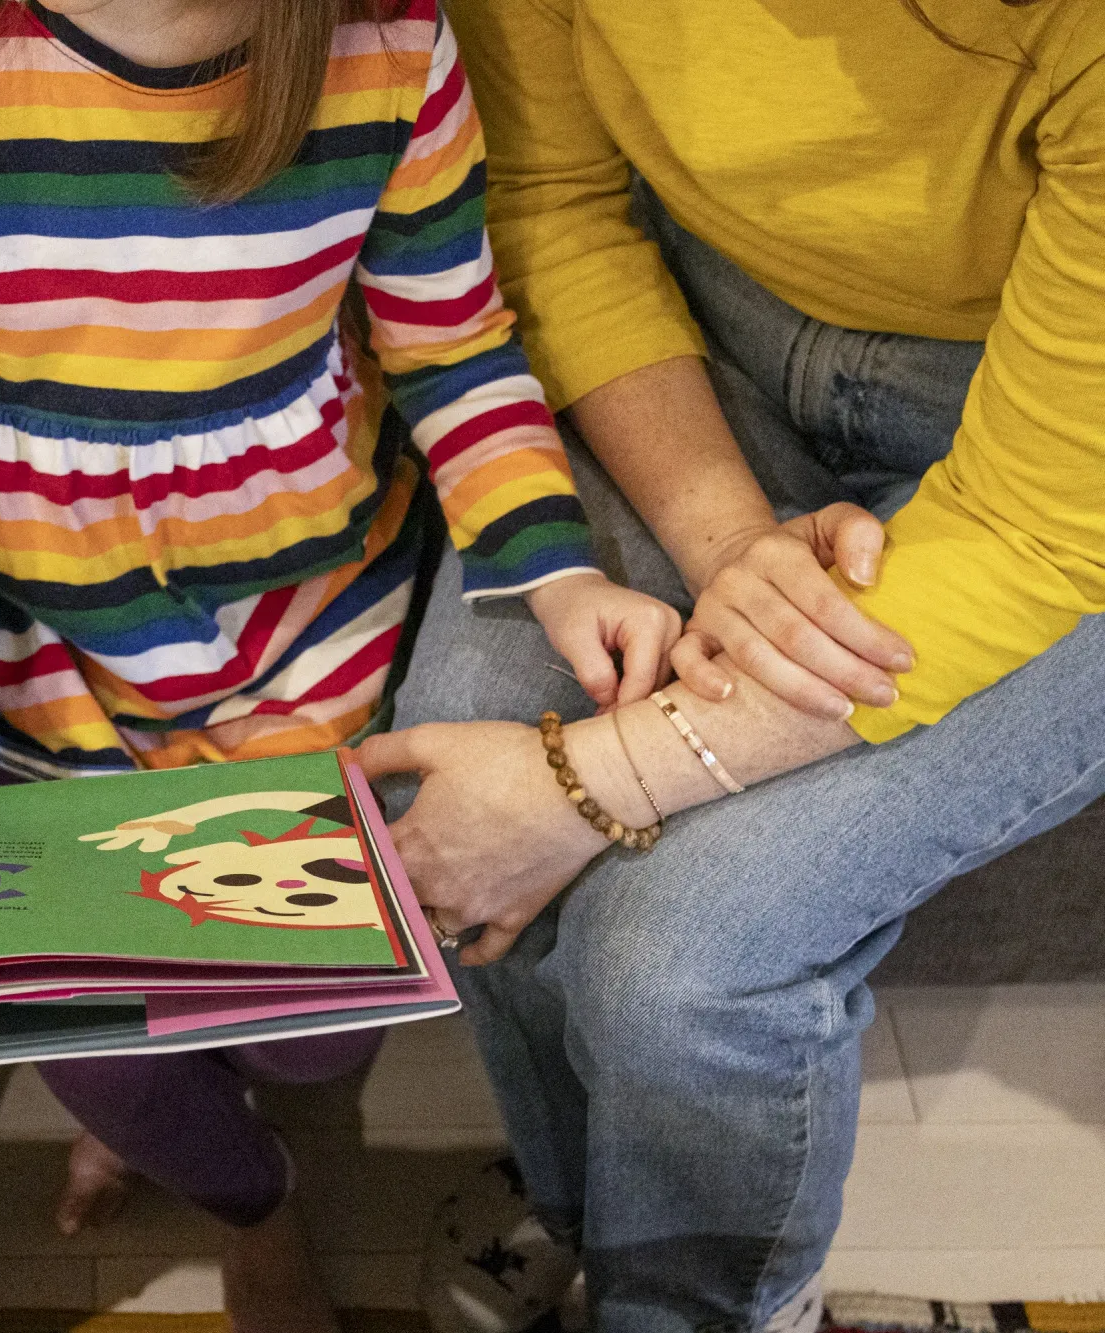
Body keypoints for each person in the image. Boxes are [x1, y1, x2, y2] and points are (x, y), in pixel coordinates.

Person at [0, 1, 684, 1327]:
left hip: (301, 616)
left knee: (315, 1026)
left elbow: (454, 341)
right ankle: (241, 1194)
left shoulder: (392, 43)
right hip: (38, 639)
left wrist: (559, 567)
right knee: (92, 1039)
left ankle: (219, 1117)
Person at [356, 1, 1105, 1329]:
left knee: (684, 955)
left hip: (1063, 484)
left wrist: (593, 780)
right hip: (716, 348)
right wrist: (728, 542)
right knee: (462, 734)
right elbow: (554, 199)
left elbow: (1041, 522)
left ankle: (712, 1306)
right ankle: (595, 1211)